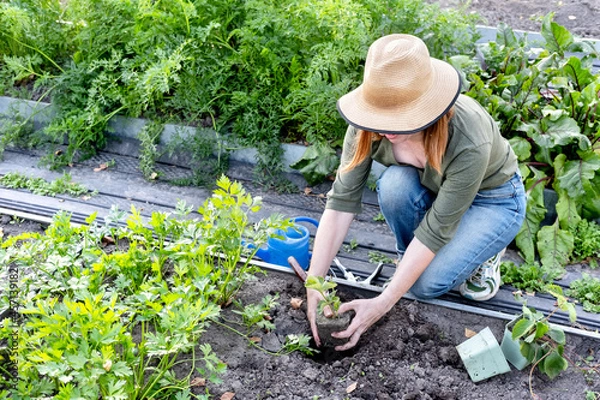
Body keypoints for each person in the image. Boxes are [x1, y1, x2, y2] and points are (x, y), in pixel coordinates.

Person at [305, 34, 527, 351]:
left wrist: (383, 302)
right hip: (435, 190)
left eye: (401, 114)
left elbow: (436, 230)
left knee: (424, 286)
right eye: (382, 113)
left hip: (493, 201)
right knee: (394, 185)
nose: (388, 127)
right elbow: (341, 204)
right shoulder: (366, 124)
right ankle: (418, 261)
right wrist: (315, 283)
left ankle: (483, 252)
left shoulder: (467, 136)